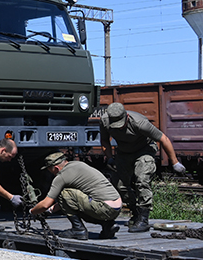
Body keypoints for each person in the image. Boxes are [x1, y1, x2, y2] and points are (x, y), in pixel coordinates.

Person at [100, 102, 186, 233]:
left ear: (126, 117)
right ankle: (136, 213)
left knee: (142, 180)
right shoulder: (105, 121)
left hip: (144, 150)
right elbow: (104, 140)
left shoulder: (139, 123)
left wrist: (175, 163)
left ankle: (144, 219)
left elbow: (164, 139)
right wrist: (110, 157)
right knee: (120, 185)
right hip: (123, 152)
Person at [29, 152, 122, 240]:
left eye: (50, 171)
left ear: (56, 168)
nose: (51, 173)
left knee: (63, 193)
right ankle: (108, 225)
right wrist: (49, 211)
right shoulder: (78, 165)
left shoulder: (61, 176)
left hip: (103, 207)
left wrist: (33, 211)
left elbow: (46, 204)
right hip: (116, 207)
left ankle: (78, 229)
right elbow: (74, 200)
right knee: (75, 200)